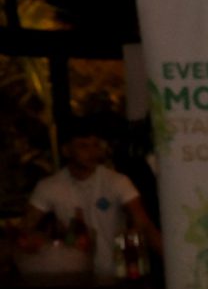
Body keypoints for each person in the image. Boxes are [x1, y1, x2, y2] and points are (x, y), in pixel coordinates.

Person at [22, 118, 163, 280]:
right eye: (83, 146)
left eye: (95, 145)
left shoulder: (117, 182)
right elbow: (26, 228)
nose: (92, 152)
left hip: (114, 276)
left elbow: (144, 224)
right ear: (66, 150)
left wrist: (175, 264)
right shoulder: (49, 186)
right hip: (73, 277)